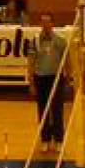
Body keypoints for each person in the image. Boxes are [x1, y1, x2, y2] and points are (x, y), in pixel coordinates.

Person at [27, 14, 69, 154]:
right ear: (40, 24)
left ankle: (58, 140)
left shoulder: (61, 41)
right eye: (43, 22)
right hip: (40, 79)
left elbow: (66, 60)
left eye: (48, 22)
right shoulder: (35, 41)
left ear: (52, 23)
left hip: (56, 78)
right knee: (43, 110)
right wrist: (31, 83)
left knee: (57, 110)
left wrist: (68, 77)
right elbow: (31, 62)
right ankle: (45, 139)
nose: (45, 25)